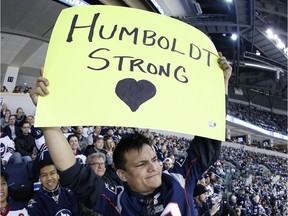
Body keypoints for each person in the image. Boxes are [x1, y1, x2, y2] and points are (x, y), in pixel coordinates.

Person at [30, 53, 231, 215]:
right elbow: (73, 173)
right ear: (122, 174)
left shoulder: (180, 178)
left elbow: (209, 138)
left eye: (153, 159)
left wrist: (220, 84)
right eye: (141, 164)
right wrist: (47, 118)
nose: (153, 167)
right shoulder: (117, 202)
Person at [27, 151, 80, 215]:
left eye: (52, 173)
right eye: (44, 175)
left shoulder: (69, 194)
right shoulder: (34, 204)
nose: (49, 178)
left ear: (58, 175)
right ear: (40, 179)